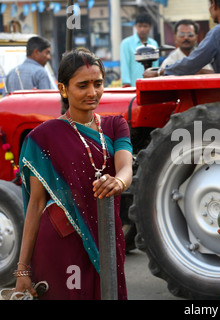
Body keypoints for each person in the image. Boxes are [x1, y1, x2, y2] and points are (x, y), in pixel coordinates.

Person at [15, 48, 133, 300]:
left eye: (98, 83)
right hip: (60, 242)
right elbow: (35, 205)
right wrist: (22, 269)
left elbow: (126, 168)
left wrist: (119, 182)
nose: (92, 92)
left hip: (107, 236)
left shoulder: (115, 126)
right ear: (63, 89)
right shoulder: (43, 137)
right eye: (83, 85)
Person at [155, 0, 220, 76]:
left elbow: (193, 63)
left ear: (213, 4)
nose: (186, 38)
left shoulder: (218, 31)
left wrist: (160, 72)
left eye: (190, 35)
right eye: (182, 35)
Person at [120, 13, 159, 87]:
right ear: (135, 26)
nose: (142, 29)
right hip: (133, 85)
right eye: (139, 26)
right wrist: (126, 83)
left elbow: (155, 66)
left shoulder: (153, 44)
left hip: (150, 85)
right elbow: (125, 65)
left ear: (150, 27)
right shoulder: (126, 43)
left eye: (145, 26)